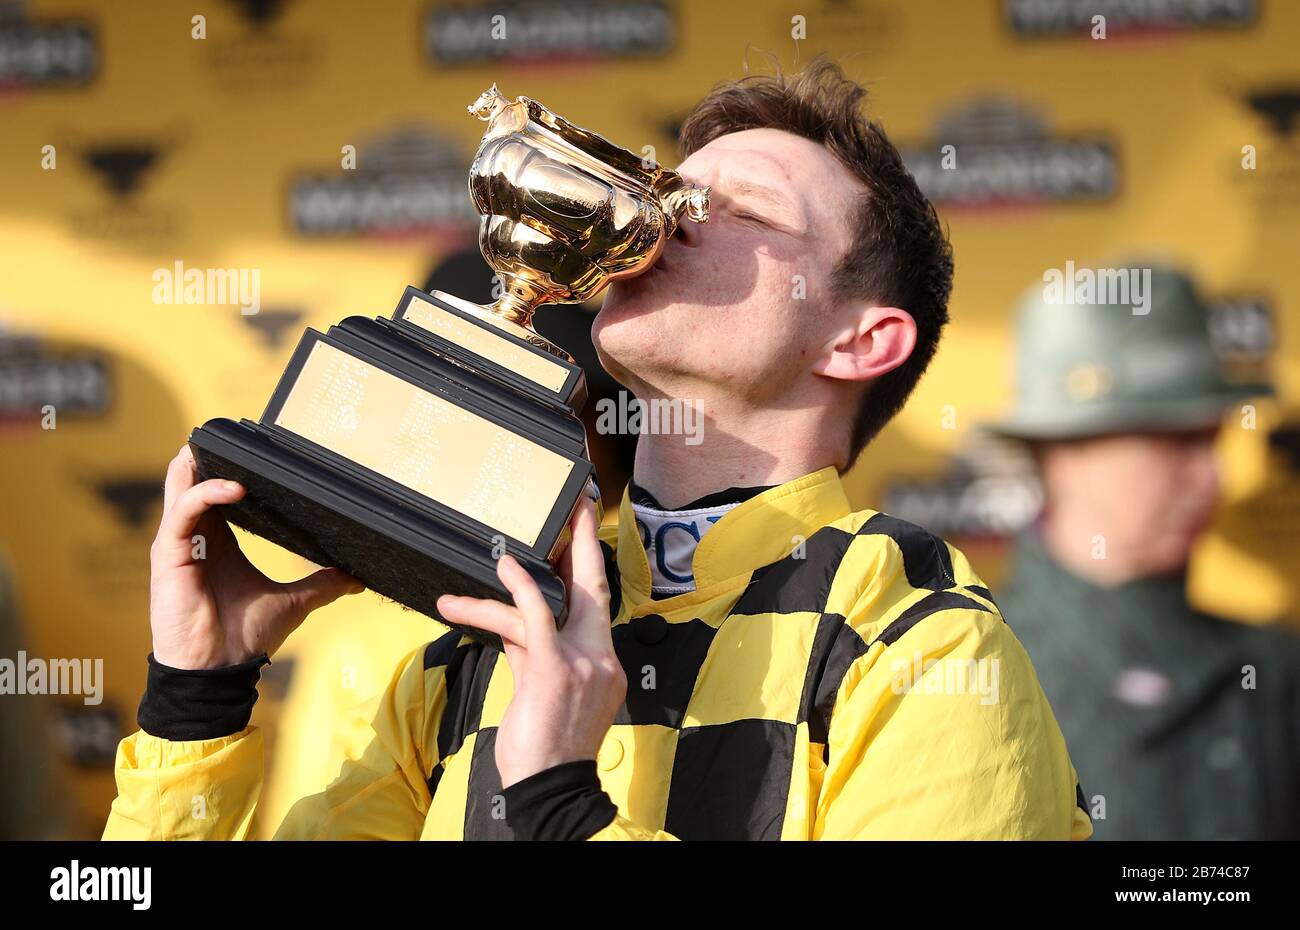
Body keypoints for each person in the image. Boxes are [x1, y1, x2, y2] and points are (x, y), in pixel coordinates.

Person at [103, 55, 1090, 841]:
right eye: (665, 192)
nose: (659, 224)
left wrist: (566, 810)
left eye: (741, 213)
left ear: (858, 340)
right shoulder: (470, 653)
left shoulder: (921, 648)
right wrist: (201, 701)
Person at [990, 262, 1300, 840]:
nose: (1214, 478)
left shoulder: (1276, 673)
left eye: (1213, 440)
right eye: (1174, 441)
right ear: (1065, 449)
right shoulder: (967, 668)